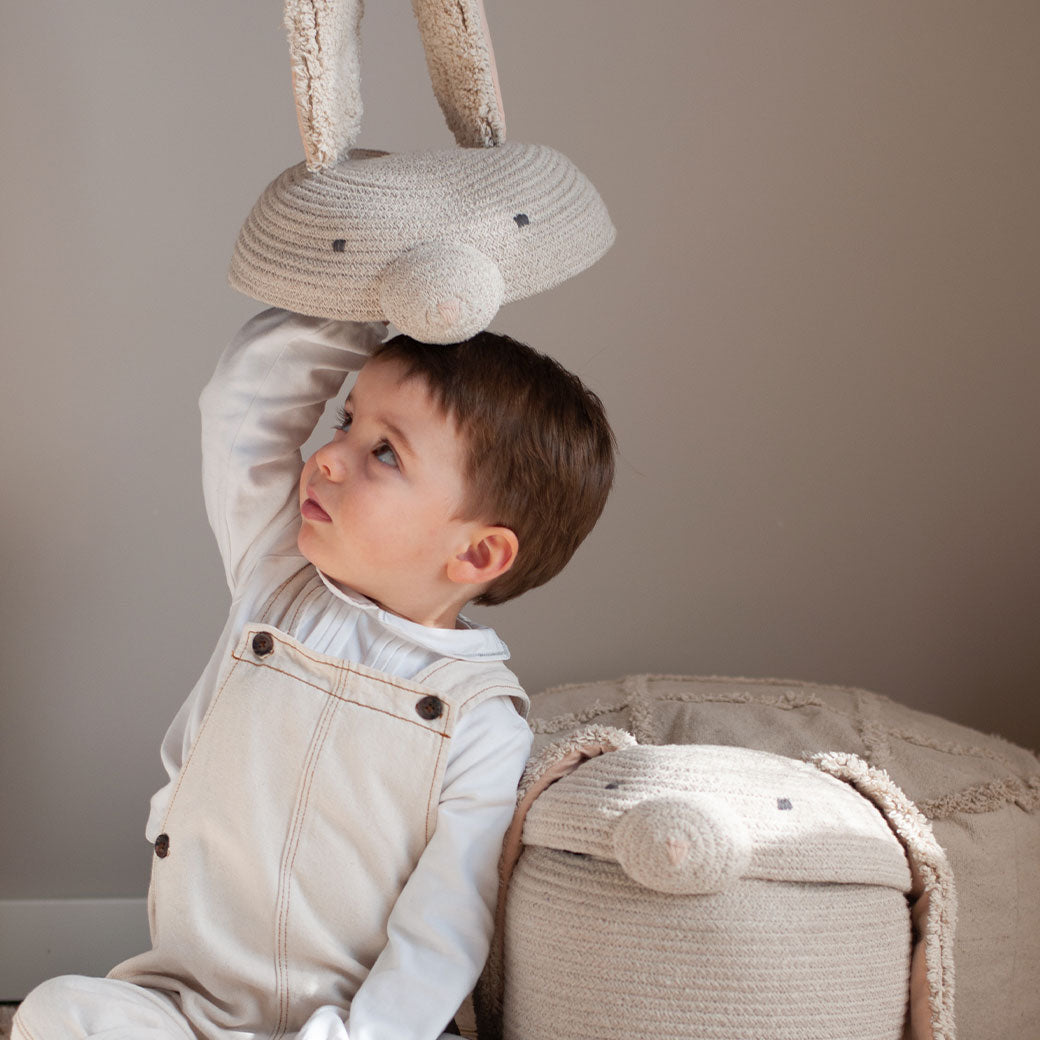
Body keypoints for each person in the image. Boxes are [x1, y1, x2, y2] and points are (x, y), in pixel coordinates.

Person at [13, 308, 616, 1040]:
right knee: (58, 1011)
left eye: (385, 454)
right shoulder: (278, 579)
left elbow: (445, 924)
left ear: (477, 556)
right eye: (345, 421)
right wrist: (363, 304)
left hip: (342, 1023)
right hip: (189, 1005)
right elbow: (244, 408)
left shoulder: (480, 720)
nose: (330, 456)